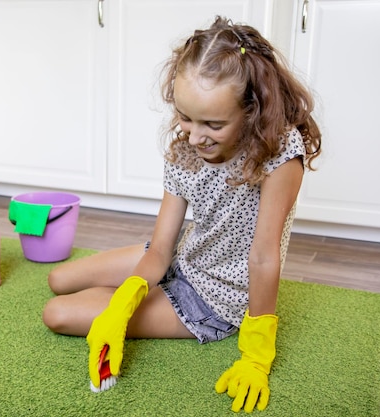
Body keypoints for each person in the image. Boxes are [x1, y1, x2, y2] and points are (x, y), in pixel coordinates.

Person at [42, 16, 322, 413]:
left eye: (213, 124)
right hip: (182, 260)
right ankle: (137, 297)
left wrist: (257, 355)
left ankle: (151, 304)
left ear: (252, 109)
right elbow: (160, 248)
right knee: (59, 278)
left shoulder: (279, 154)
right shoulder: (186, 148)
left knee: (58, 313)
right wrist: (125, 302)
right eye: (186, 118)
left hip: (216, 299)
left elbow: (263, 256)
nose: (194, 136)